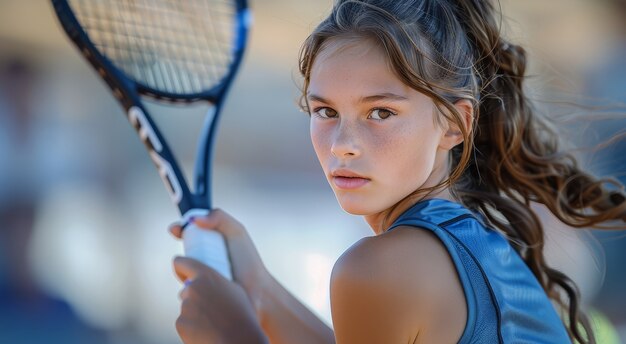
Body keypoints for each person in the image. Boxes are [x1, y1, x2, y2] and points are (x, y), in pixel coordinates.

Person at [169, 0, 626, 343]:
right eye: (325, 111)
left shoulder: (381, 268)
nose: (343, 145)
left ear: (455, 124)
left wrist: (232, 334)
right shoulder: (472, 241)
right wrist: (259, 289)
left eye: (381, 113)